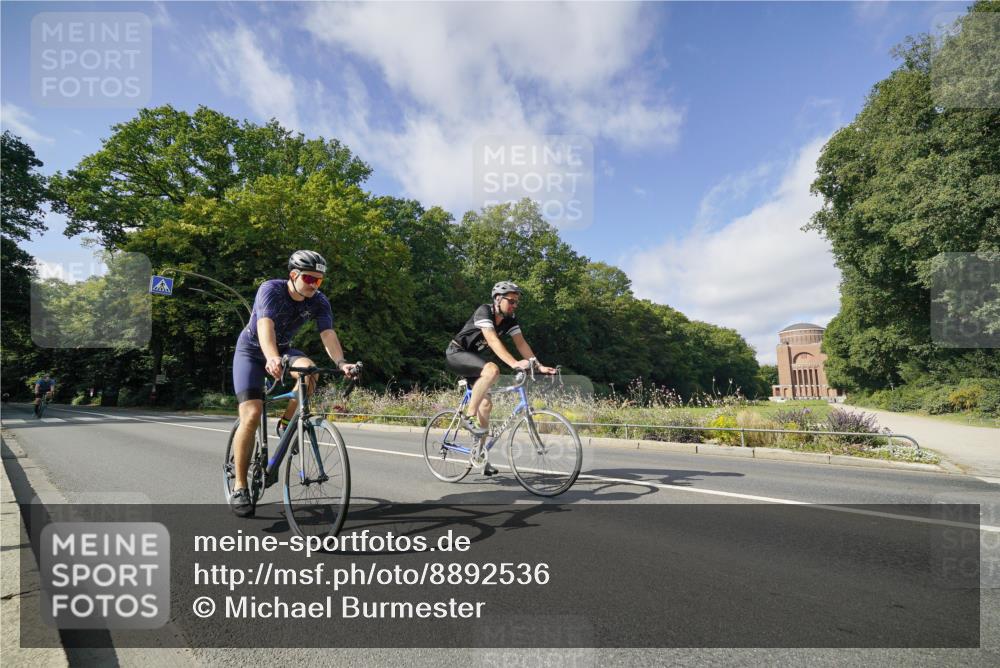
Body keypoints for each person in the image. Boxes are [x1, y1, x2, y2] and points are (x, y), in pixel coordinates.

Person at [230, 250, 359, 517]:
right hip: (253, 351)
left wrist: (341, 363)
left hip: (284, 350)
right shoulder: (271, 290)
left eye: (319, 281)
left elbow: (328, 333)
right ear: (293, 275)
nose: (314, 285)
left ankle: (288, 423)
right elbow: (265, 326)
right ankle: (240, 486)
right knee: (252, 415)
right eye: (309, 279)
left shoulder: (319, 301)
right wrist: (271, 357)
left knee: (310, 371)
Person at [445, 281, 556, 475]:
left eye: (516, 302)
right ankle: (467, 417)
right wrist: (514, 363)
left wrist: (538, 366)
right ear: (498, 299)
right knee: (493, 370)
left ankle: (479, 455)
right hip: (456, 353)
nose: (514, 305)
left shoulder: (510, 319)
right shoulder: (484, 311)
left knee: (486, 406)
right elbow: (492, 340)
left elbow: (521, 344)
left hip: (475, 361)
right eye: (511, 301)